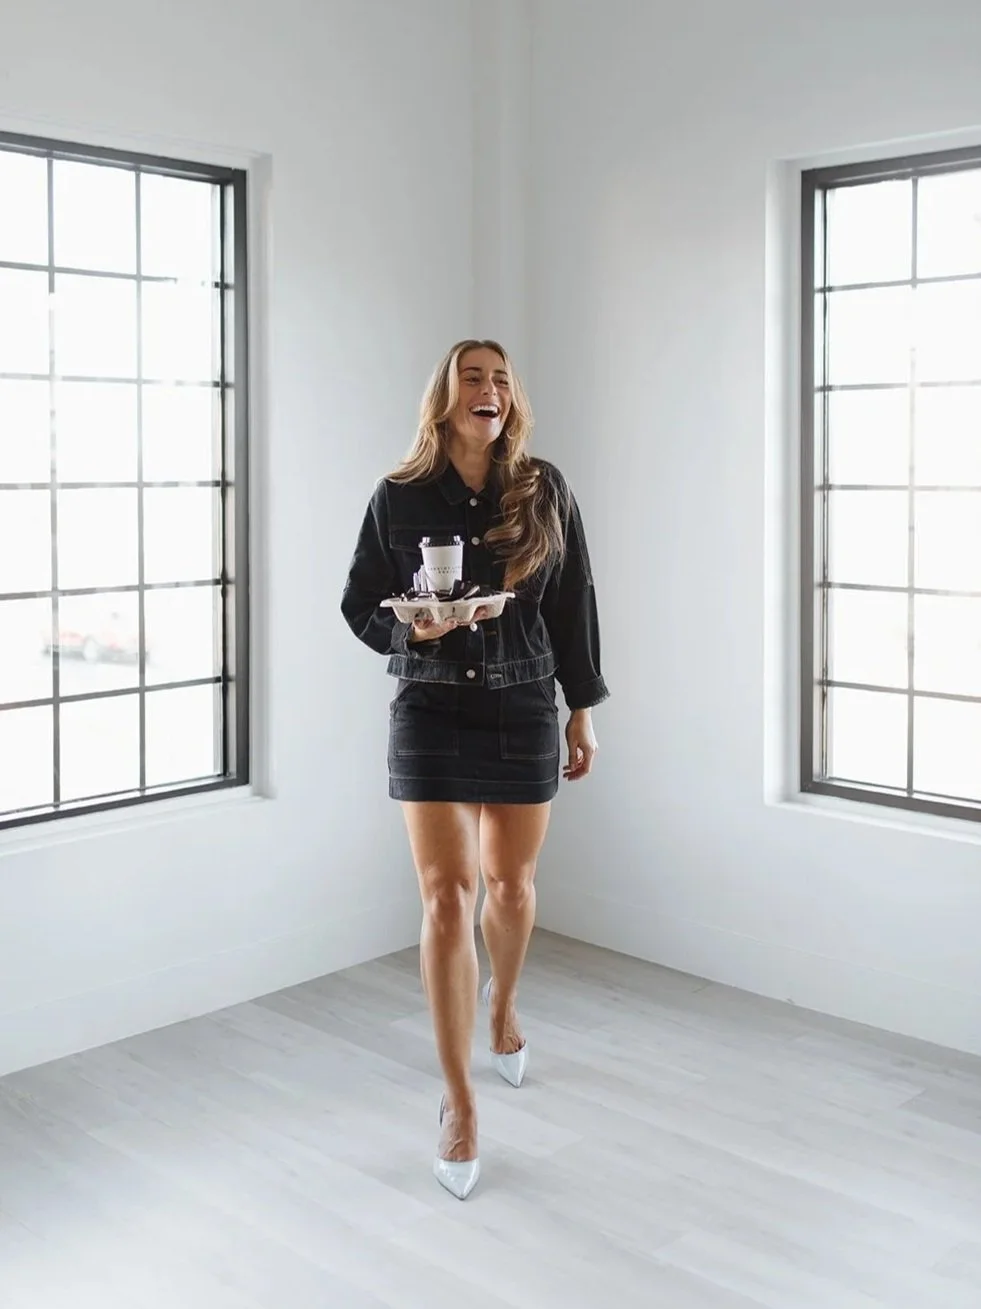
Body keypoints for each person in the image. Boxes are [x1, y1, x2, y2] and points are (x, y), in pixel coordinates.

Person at [341, 339, 608, 1199]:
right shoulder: (399, 495)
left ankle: (500, 1006)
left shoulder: (543, 486)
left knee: (512, 887)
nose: (488, 388)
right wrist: (407, 630)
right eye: (472, 375)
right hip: (429, 708)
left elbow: (574, 601)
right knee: (447, 896)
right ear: (444, 397)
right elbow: (358, 602)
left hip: (525, 704)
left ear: (509, 398)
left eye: (499, 377)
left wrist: (581, 706)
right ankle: (458, 1102)